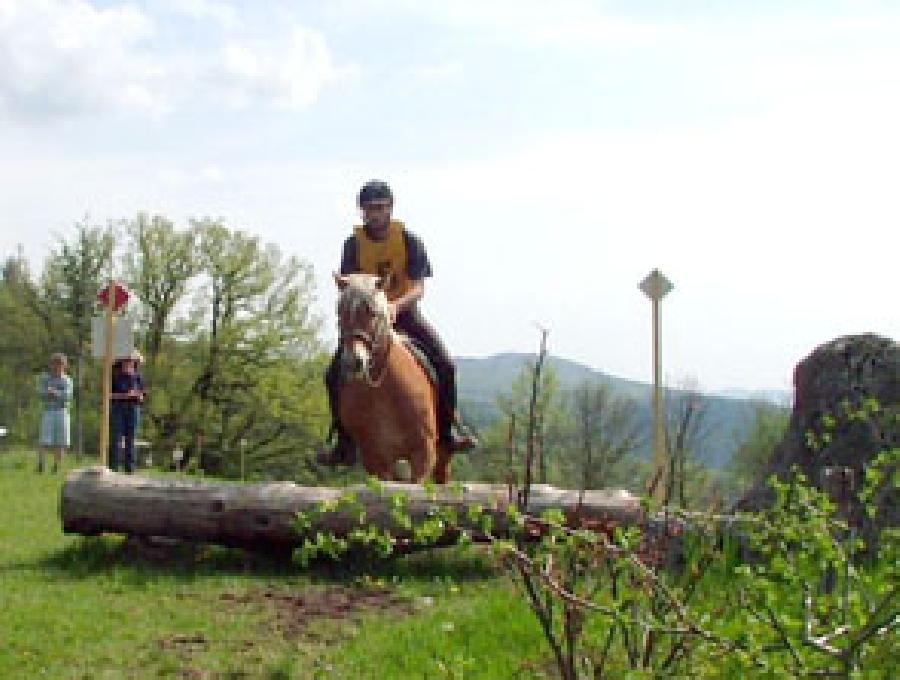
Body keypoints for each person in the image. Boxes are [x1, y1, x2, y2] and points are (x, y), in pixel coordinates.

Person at [319, 179, 477, 466]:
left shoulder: (408, 240)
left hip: (403, 312)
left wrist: (394, 306)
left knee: (445, 364)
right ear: (361, 211)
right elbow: (348, 284)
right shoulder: (353, 245)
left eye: (379, 208)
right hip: (366, 321)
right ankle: (343, 442)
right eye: (368, 209)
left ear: (390, 208)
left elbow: (418, 287)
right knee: (332, 374)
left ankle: (446, 432)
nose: (374, 214)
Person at [37, 352, 73, 473]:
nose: (57, 367)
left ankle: (57, 467)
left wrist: (55, 393)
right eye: (55, 364)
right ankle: (41, 465)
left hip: (62, 411)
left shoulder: (67, 380)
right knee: (44, 439)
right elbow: (41, 393)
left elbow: (67, 396)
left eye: (60, 364)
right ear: (51, 365)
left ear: (64, 366)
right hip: (49, 411)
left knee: (61, 441)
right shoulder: (45, 378)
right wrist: (48, 393)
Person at [109, 354, 144, 473]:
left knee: (131, 439)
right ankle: (113, 467)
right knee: (116, 439)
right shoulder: (115, 376)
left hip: (133, 408)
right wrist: (125, 395)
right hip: (118, 408)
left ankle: (130, 470)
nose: (128, 363)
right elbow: (109, 395)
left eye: (131, 361)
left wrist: (139, 396)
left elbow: (143, 394)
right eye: (126, 360)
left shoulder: (137, 377)